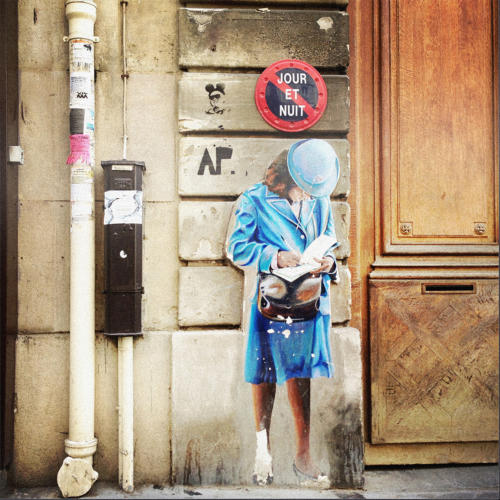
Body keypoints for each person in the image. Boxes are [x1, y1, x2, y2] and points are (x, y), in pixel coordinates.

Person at [226, 139, 340, 487]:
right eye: (302, 190)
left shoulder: (319, 198)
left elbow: (330, 238)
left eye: (312, 192)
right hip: (271, 303)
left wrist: (328, 262)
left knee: (301, 374)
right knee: (263, 375)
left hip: (308, 300)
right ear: (285, 179)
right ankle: (264, 453)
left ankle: (303, 455)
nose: (308, 197)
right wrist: (274, 256)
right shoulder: (254, 200)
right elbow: (236, 247)